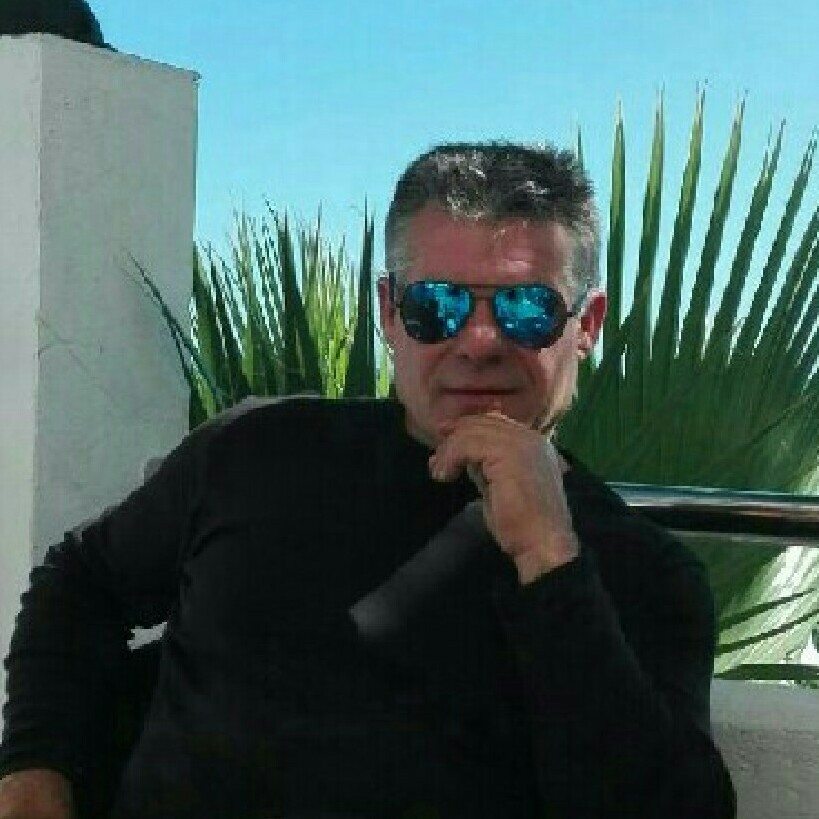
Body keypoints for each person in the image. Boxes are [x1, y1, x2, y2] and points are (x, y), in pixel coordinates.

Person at [0, 142, 737, 818]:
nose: (479, 340)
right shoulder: (258, 453)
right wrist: (33, 772)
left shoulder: (641, 572)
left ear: (586, 324)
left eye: (525, 308)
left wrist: (548, 559)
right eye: (437, 305)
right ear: (389, 312)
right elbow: (82, 584)